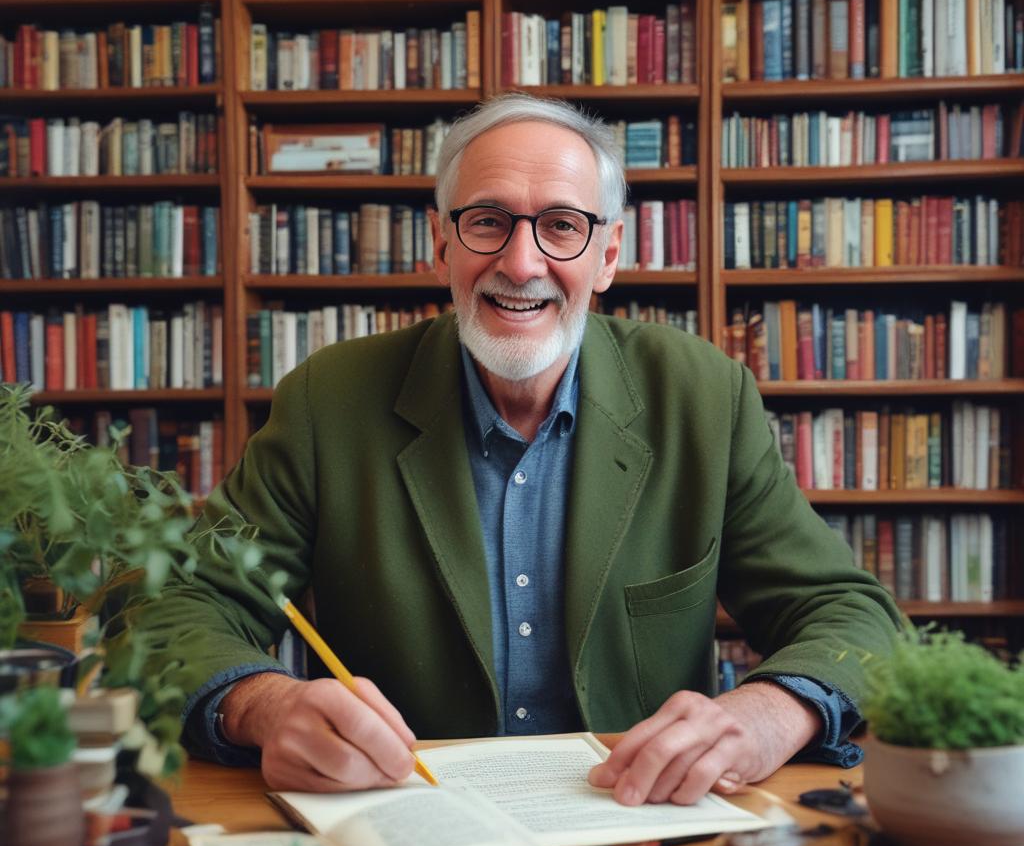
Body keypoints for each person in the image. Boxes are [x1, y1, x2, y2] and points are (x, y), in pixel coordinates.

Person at [135, 94, 900, 806]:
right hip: (406, 820)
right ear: (442, 244)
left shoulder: (703, 399)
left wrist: (770, 714)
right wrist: (266, 705)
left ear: (608, 255)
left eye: (562, 225)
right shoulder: (327, 401)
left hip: (645, 828)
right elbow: (175, 606)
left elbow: (850, 613)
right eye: (488, 222)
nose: (522, 263)